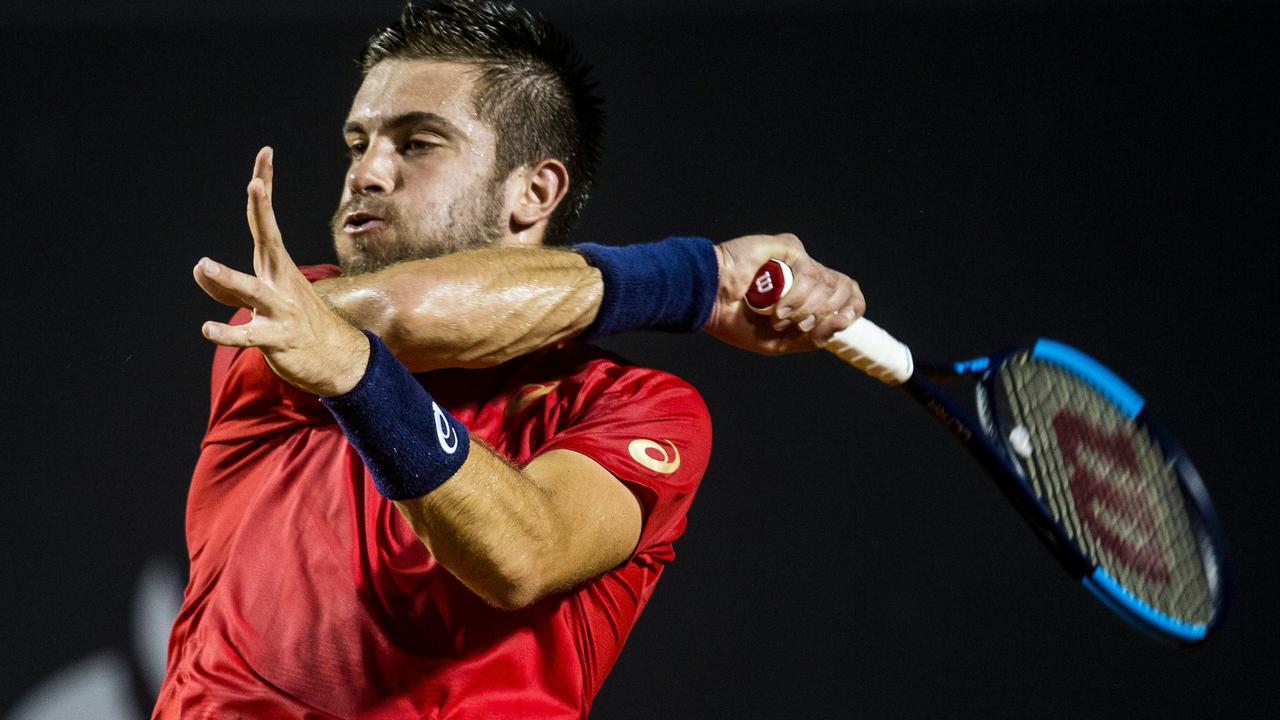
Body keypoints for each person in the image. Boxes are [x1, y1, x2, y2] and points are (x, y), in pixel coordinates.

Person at [154, 3, 863, 718]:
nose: (366, 172)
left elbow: (524, 554)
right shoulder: (289, 313)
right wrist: (698, 279)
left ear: (534, 193)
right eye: (357, 143)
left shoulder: (639, 408)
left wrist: (360, 381)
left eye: (418, 143)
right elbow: (401, 315)